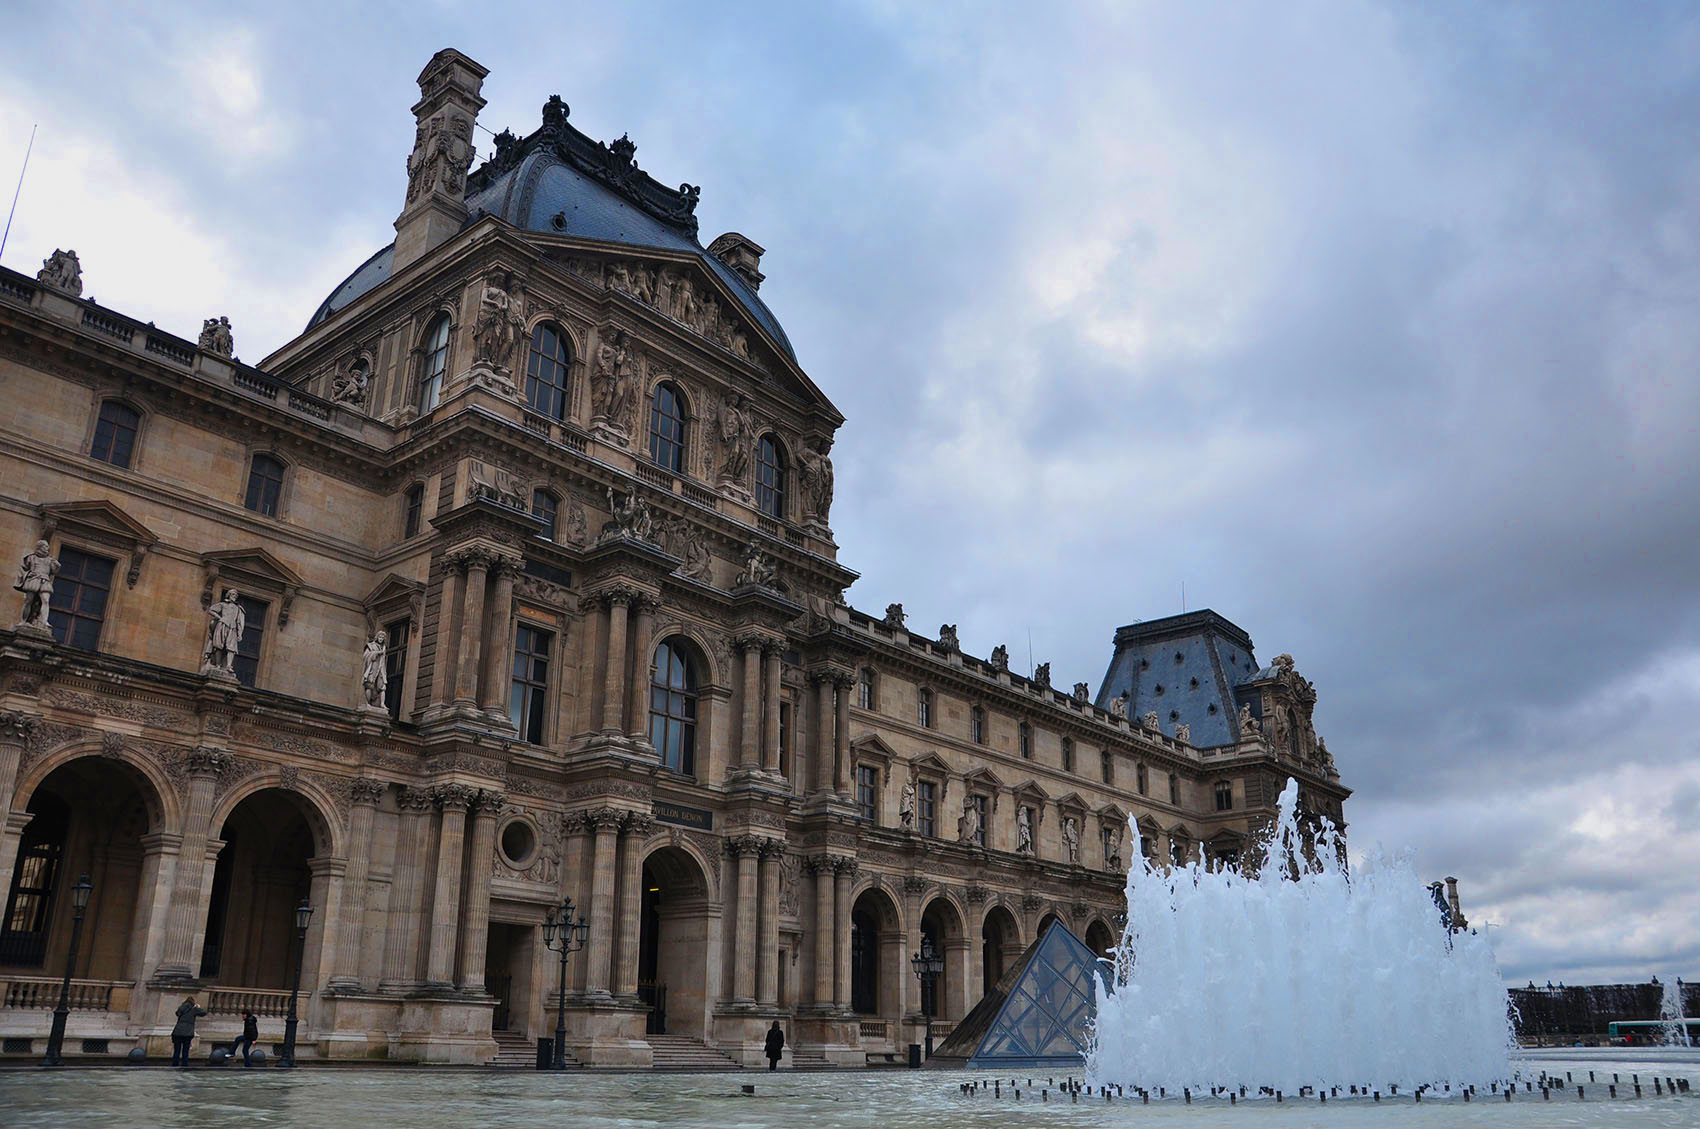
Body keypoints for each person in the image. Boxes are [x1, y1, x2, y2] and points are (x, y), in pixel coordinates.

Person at [171, 995, 207, 1068]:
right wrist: (198, 1007)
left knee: (177, 1050)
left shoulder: (181, 1007)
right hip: (188, 1032)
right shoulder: (194, 1009)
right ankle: (184, 1065)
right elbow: (203, 1013)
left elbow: (177, 1013)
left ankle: (175, 1064)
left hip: (178, 1031)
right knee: (185, 1050)